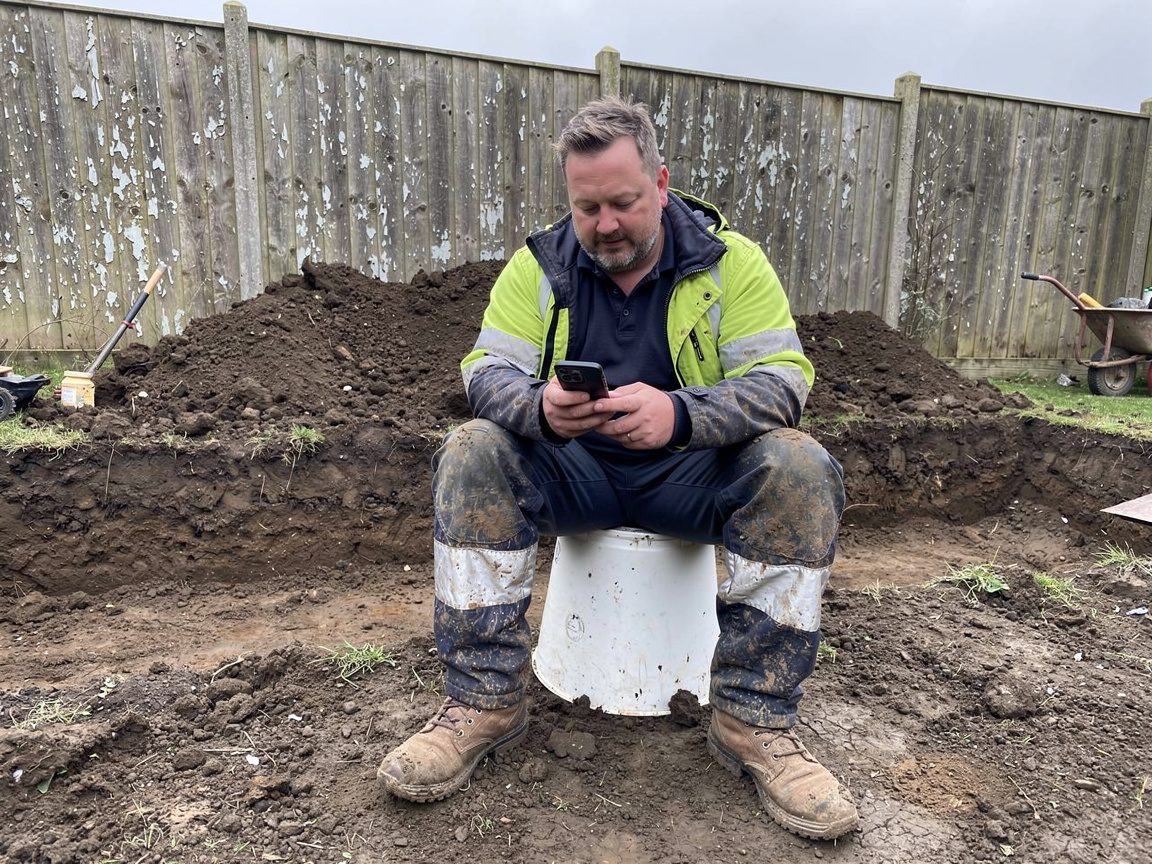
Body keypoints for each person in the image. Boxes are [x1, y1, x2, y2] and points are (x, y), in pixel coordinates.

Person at [376, 96, 858, 841]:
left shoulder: (732, 265)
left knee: (799, 466)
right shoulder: (538, 266)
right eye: (587, 207)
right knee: (472, 446)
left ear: (661, 184)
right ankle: (483, 699)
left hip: (691, 475)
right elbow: (484, 369)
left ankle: (754, 719)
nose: (605, 225)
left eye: (625, 203)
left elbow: (784, 380)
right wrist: (539, 410)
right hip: (577, 476)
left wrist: (683, 415)